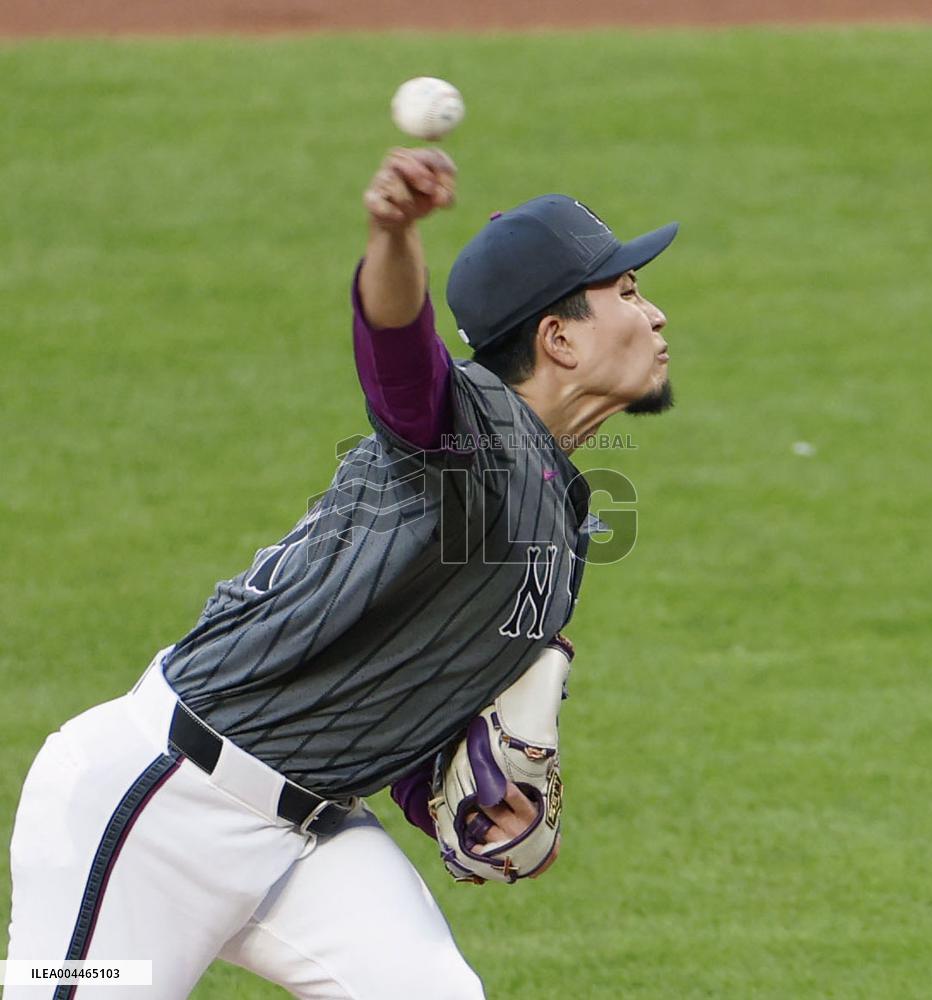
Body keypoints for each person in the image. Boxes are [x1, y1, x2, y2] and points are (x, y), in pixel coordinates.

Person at [5, 148, 677, 999]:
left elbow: (405, 688)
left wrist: (449, 800)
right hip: (159, 809)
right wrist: (391, 235)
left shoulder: (562, 514)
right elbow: (398, 352)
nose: (654, 316)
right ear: (559, 338)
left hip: (311, 841)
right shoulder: (466, 435)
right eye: (626, 294)